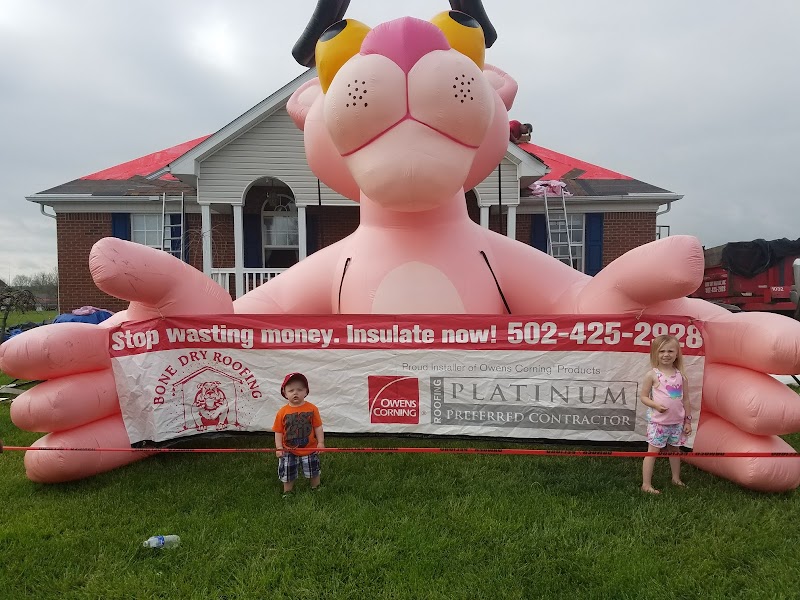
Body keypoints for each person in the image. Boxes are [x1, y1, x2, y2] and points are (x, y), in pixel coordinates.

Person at [639, 335, 693, 494]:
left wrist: (687, 421)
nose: (666, 354)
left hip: (677, 423)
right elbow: (643, 397)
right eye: (661, 351)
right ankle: (646, 484)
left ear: (677, 353)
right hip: (659, 424)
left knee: (675, 450)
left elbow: (686, 400)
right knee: (652, 452)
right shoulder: (653, 375)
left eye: (670, 350)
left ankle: (676, 478)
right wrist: (655, 405)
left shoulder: (680, 377)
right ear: (655, 353)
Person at [272, 372, 325, 497]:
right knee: (288, 471)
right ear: (285, 393)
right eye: (291, 390)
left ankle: (316, 488)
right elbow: (278, 431)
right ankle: (288, 492)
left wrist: (321, 442)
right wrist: (279, 447)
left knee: (313, 470)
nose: (295, 393)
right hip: (288, 450)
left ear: (306, 392)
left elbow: (318, 427)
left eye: (300, 390)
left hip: (310, 448)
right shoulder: (282, 412)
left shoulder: (312, 409)